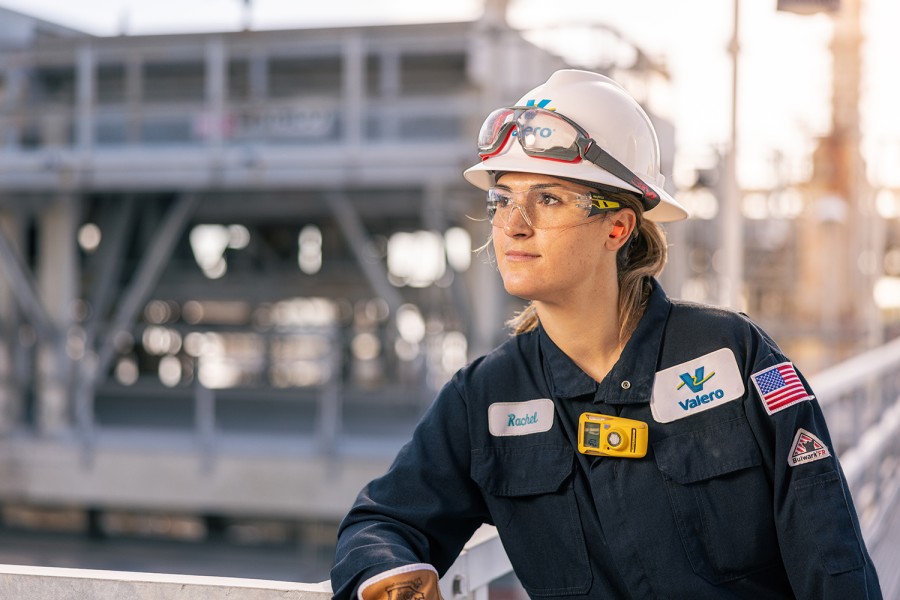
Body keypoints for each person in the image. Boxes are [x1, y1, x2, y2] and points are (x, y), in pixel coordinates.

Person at [330, 69, 882, 599]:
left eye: (547, 199)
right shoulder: (487, 397)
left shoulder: (732, 357)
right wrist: (386, 572)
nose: (513, 224)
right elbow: (383, 521)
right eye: (501, 201)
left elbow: (830, 556)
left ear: (617, 227)